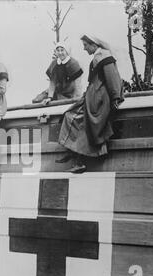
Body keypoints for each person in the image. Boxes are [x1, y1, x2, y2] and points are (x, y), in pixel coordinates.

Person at [56, 34, 124, 173]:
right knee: (69, 115)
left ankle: (78, 161)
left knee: (82, 123)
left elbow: (113, 78)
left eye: (86, 46)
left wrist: (116, 98)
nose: (85, 49)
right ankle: (72, 152)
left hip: (99, 98)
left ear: (93, 44)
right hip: (92, 96)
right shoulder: (99, 56)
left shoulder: (104, 57)